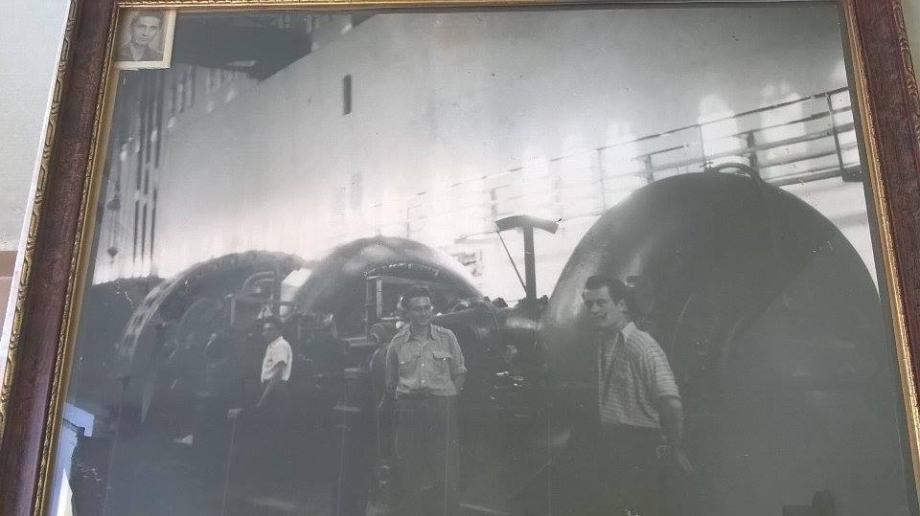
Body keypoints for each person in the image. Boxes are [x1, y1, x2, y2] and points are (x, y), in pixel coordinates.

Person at [566, 275, 690, 516]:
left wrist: (675, 449)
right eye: (589, 304)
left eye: (601, 302)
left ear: (621, 304)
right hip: (615, 446)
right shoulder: (604, 341)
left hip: (641, 448)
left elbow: (671, 402)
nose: (594, 310)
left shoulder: (641, 345)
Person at [380, 286, 466, 516]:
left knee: (446, 471)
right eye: (417, 308)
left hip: (441, 409)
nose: (424, 313)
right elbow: (391, 382)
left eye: (427, 307)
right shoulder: (397, 342)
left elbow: (459, 372)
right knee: (409, 471)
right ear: (407, 312)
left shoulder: (447, 338)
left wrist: (448, 398)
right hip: (409, 411)